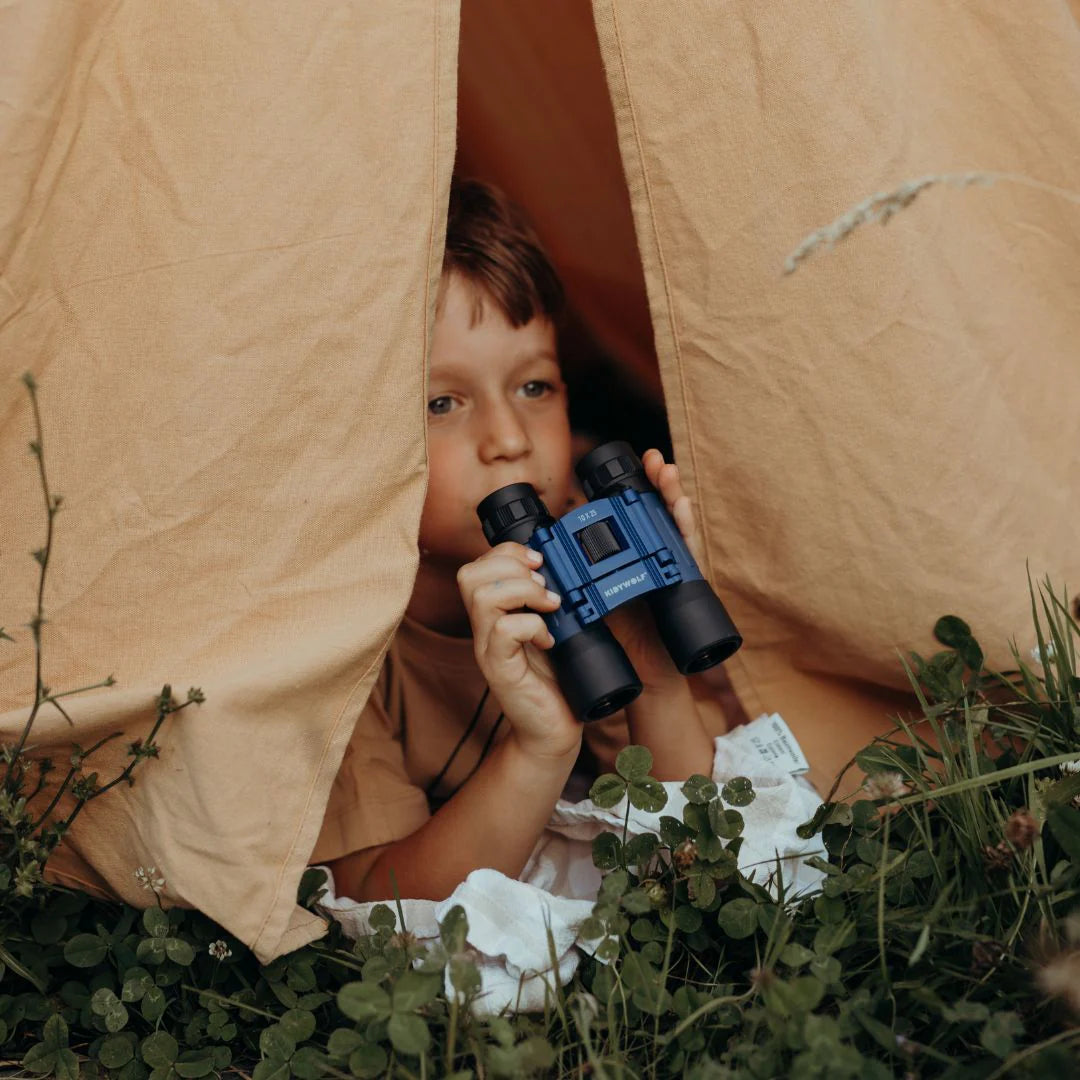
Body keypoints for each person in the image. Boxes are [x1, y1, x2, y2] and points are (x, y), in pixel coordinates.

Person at [312, 178, 732, 902]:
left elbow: (701, 846)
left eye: (534, 387)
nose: (509, 439)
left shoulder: (579, 547)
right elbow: (377, 899)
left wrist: (654, 667)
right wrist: (540, 748)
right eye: (441, 402)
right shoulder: (336, 639)